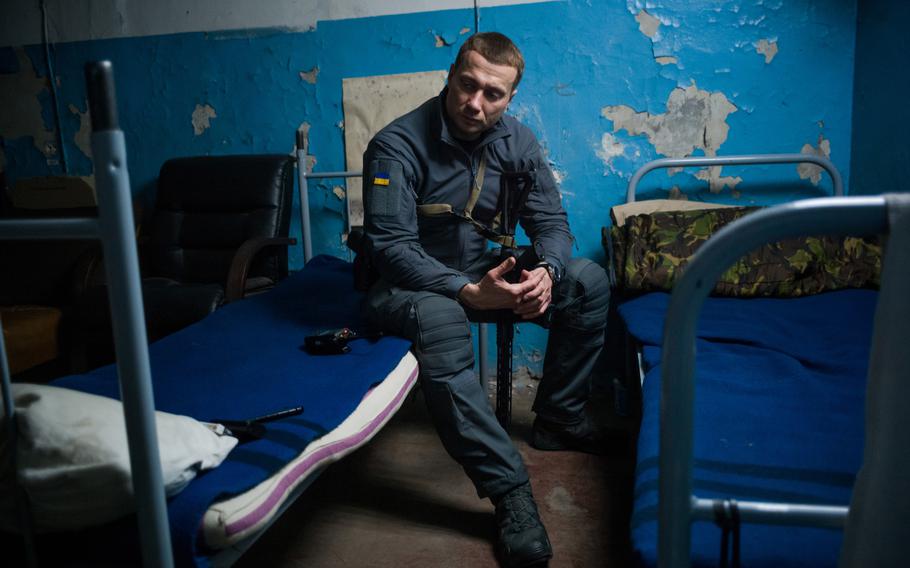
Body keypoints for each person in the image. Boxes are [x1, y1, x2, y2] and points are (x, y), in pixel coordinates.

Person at [360, 32, 610, 567]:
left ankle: (559, 419)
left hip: (485, 274)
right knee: (444, 320)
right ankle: (510, 494)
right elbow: (390, 248)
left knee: (586, 284)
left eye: (492, 94)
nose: (476, 103)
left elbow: (551, 224)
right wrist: (470, 290)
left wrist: (545, 271)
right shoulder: (394, 146)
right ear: (450, 75)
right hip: (413, 285)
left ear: (510, 98)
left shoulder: (518, 142)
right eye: (467, 85)